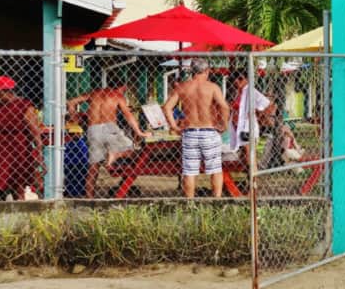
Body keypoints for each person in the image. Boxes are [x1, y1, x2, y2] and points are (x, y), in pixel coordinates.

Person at [162, 59, 229, 198]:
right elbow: (224, 106)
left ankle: (190, 204)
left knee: (189, 171)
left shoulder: (182, 87)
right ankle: (217, 201)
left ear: (192, 71)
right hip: (209, 131)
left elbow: (167, 107)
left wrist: (174, 126)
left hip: (190, 132)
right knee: (215, 169)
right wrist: (224, 124)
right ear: (207, 71)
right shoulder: (212, 87)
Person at [67, 84, 148, 198]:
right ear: (122, 87)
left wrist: (74, 116)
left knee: (93, 167)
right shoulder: (117, 96)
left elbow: (71, 102)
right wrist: (139, 132)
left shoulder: (93, 93)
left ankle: (89, 198)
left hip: (93, 130)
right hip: (110, 129)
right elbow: (128, 115)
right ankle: (114, 154)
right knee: (132, 148)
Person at [229, 70, 276, 168]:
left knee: (249, 156)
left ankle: (253, 181)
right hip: (238, 127)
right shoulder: (238, 92)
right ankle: (248, 180)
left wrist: (257, 114)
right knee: (244, 157)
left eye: (240, 79)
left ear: (247, 79)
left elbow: (269, 105)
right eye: (235, 78)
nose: (237, 81)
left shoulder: (251, 91)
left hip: (247, 129)